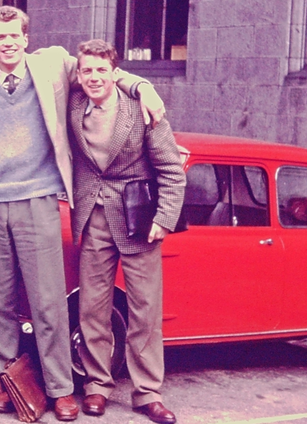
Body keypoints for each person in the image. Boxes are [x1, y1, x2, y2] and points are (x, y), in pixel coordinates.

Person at [0, 6, 166, 421]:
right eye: (0, 37)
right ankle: (6, 382)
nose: (8, 43)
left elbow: (101, 70)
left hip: (40, 199)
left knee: (49, 302)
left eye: (15, 35)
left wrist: (143, 87)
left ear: (26, 38)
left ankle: (61, 388)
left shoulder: (52, 66)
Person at [67, 39, 185, 424]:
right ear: (79, 73)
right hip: (93, 218)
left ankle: (147, 393)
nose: (94, 77)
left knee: (144, 312)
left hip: (138, 222)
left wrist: (163, 219)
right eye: (88, 70)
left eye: (102, 70)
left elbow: (171, 170)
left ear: (116, 73)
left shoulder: (142, 109)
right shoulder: (72, 102)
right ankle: (97, 387)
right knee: (92, 309)